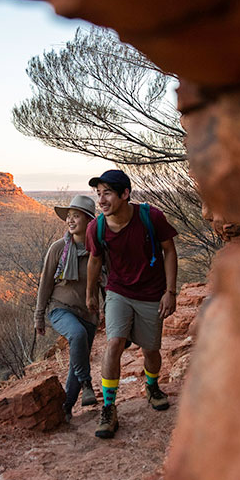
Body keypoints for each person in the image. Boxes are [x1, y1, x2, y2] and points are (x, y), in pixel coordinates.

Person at [86, 169, 178, 439]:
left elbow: (169, 250)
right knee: (114, 343)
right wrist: (90, 292)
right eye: (98, 194)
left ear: (125, 194)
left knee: (150, 350)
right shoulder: (97, 226)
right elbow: (95, 260)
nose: (101, 200)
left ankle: (152, 386)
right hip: (118, 291)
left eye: (108, 193)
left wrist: (170, 291)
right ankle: (109, 407)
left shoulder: (152, 217)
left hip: (151, 292)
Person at [34, 194, 101, 422]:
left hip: (89, 314)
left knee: (76, 361)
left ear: (89, 221)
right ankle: (88, 384)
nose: (70, 221)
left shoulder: (98, 250)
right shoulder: (59, 248)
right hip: (60, 308)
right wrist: (39, 317)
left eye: (76, 216)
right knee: (77, 334)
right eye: (69, 217)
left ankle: (66, 409)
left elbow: (107, 282)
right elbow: (45, 284)